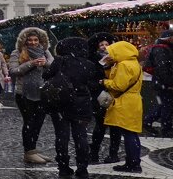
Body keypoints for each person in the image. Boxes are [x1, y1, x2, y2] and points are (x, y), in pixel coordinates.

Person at [41, 37, 102, 178]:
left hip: (61, 104)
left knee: (62, 136)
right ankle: (82, 168)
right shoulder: (89, 64)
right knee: (81, 137)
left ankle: (63, 167)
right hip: (82, 105)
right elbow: (94, 84)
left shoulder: (60, 61)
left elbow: (46, 75)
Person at [10, 27, 53, 165]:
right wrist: (30, 64)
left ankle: (33, 150)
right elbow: (14, 70)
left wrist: (45, 63)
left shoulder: (45, 52)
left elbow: (54, 66)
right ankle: (28, 152)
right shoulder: (17, 53)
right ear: (24, 41)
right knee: (29, 122)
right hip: (24, 94)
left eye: (35, 40)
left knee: (39, 122)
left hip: (42, 92)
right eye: (30, 40)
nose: (33, 42)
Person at [102, 40, 144, 173]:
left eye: (111, 51)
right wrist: (108, 66)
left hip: (125, 102)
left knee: (129, 134)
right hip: (132, 101)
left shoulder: (124, 65)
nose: (109, 54)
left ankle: (133, 164)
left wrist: (104, 82)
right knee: (132, 133)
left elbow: (118, 85)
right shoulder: (132, 63)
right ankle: (133, 161)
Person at [146, 30, 173, 136]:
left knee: (169, 106)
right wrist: (170, 84)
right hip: (165, 84)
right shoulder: (161, 49)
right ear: (168, 38)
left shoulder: (167, 48)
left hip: (170, 83)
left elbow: (170, 67)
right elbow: (163, 69)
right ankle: (164, 128)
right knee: (166, 106)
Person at [87, 33, 121, 164]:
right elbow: (91, 80)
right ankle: (94, 153)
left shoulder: (118, 60)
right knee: (100, 126)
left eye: (107, 44)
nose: (104, 47)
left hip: (116, 96)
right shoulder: (93, 61)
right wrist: (100, 85)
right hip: (100, 97)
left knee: (115, 127)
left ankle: (113, 153)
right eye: (101, 44)